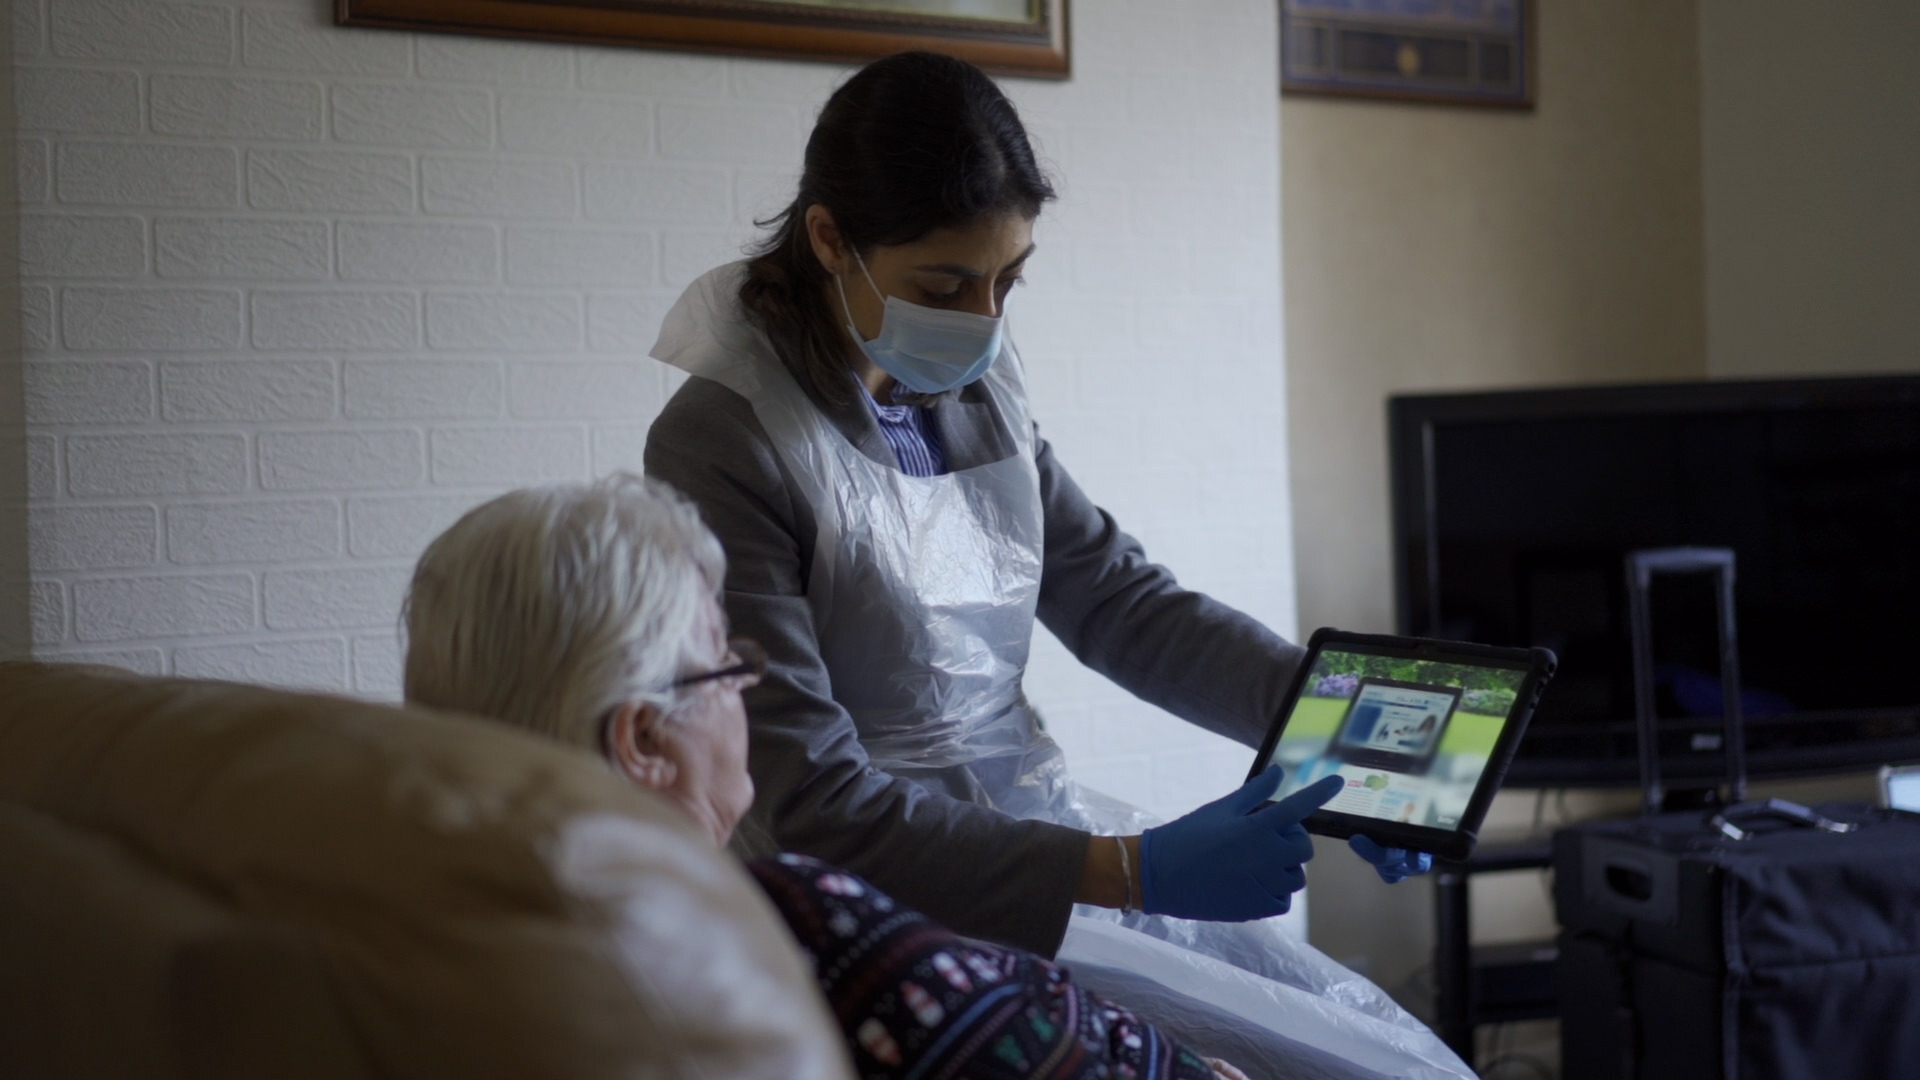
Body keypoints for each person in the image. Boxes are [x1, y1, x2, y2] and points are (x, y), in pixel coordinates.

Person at [642, 46, 1429, 967]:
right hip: (857, 909)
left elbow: (1116, 600)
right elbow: (811, 801)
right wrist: (1132, 872)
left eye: (1007, 281)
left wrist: (1345, 735)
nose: (982, 320)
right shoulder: (723, 441)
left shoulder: (971, 387)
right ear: (827, 240)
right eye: (944, 287)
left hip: (1033, 841)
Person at [400, 473, 1262, 1080]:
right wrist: (1134, 872)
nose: (750, 687)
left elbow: (1126, 601)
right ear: (644, 740)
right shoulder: (802, 932)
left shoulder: (401, 938)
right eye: (724, 664)